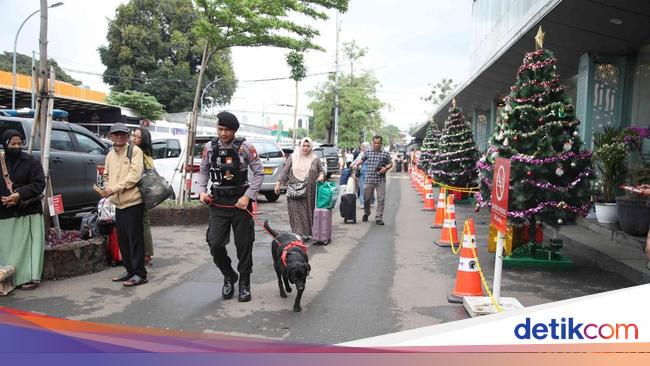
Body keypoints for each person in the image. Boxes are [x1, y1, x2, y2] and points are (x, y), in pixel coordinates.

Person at [197, 111, 264, 302]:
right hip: (218, 203)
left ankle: (244, 283)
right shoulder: (209, 148)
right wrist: (202, 191)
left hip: (241, 203)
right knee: (215, 243)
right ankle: (229, 275)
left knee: (244, 245)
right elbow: (203, 171)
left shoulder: (246, 148)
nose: (223, 133)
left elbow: (259, 174)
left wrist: (247, 196)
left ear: (234, 130)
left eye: (227, 130)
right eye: (220, 129)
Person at [0, 129, 45, 290]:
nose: (17, 147)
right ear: (5, 144)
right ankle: (9, 279)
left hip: (28, 211)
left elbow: (39, 184)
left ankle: (31, 277)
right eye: (13, 144)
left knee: (29, 248)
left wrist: (19, 195)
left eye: (20, 143)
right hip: (5, 212)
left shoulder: (31, 162)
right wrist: (4, 199)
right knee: (8, 248)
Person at [103, 123, 147, 287]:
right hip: (118, 203)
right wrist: (107, 187)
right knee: (123, 240)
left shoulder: (135, 151)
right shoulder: (110, 155)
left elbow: (134, 177)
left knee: (135, 239)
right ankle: (129, 270)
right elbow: (106, 175)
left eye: (123, 134)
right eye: (116, 134)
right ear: (111, 136)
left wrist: (114, 188)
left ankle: (140, 273)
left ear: (127, 136)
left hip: (133, 201)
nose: (120, 137)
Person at [274, 137, 325, 241]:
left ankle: (307, 232)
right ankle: (298, 232)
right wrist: (278, 183)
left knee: (307, 211)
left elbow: (322, 171)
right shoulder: (293, 157)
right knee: (296, 211)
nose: (305, 148)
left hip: (309, 191)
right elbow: (285, 171)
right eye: (304, 146)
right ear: (300, 146)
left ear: (311, 147)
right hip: (294, 189)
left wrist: (321, 176)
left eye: (308, 146)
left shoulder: (315, 159)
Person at [354, 135, 393, 225]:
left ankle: (379, 217)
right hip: (369, 179)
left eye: (378, 143)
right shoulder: (368, 152)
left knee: (381, 199)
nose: (376, 145)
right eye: (375, 143)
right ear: (372, 143)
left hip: (380, 180)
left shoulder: (385, 154)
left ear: (381, 143)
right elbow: (362, 160)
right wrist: (356, 164)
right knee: (366, 199)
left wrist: (386, 168)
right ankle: (366, 213)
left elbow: (390, 164)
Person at [131, 127, 154, 266]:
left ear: (143, 139)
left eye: (137, 137)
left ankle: (145, 255)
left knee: (143, 223)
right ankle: (147, 254)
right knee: (144, 222)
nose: (134, 138)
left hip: (140, 191)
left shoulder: (138, 152)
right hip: (146, 191)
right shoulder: (148, 153)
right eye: (133, 135)